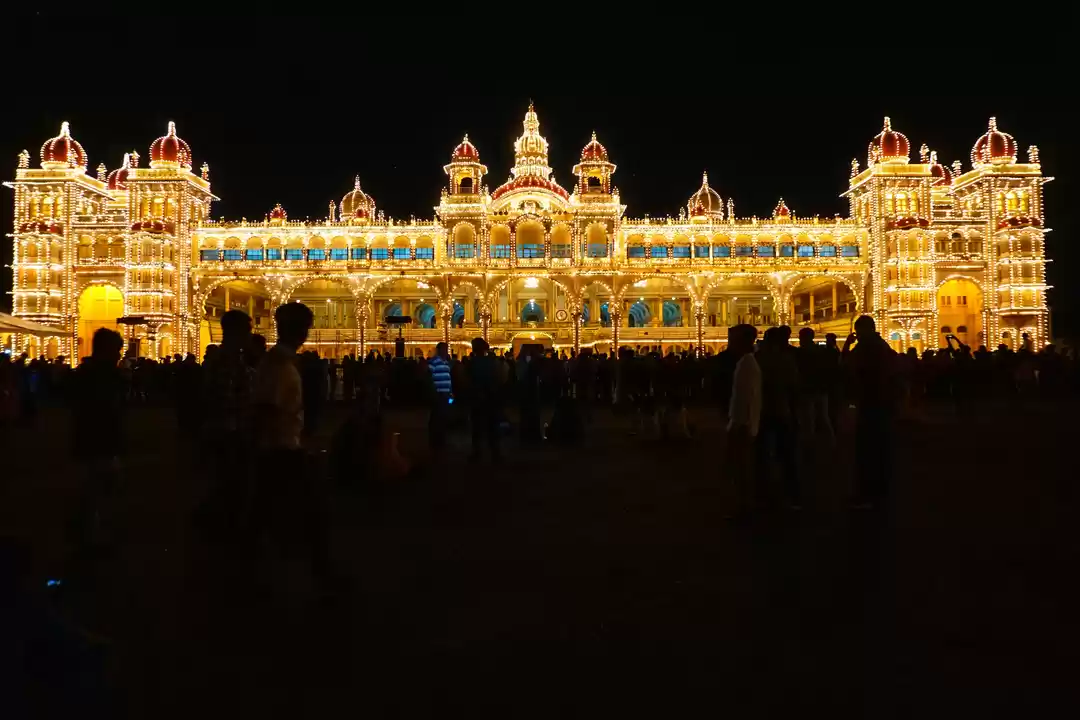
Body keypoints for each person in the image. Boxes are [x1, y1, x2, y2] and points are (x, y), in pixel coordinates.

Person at [252, 302, 337, 591]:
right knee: (310, 514)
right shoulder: (278, 365)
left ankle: (270, 575)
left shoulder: (281, 362)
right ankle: (318, 576)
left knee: (280, 515)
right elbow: (265, 410)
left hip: (282, 448)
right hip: (280, 451)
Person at [197, 310, 255, 538]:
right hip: (229, 433)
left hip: (227, 431)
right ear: (236, 333)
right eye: (248, 331)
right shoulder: (226, 362)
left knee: (228, 485)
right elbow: (225, 400)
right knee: (230, 484)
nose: (250, 336)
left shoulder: (230, 359)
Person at [69, 328, 127, 546]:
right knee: (98, 490)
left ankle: (91, 532)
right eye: (116, 350)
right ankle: (93, 535)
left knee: (95, 489)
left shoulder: (86, 373)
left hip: (91, 441)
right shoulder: (104, 376)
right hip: (99, 441)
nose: (119, 355)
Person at [842, 315, 898, 509]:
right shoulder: (882, 346)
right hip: (881, 402)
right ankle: (879, 491)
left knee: (867, 450)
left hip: (871, 402)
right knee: (879, 449)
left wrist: (847, 346)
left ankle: (867, 494)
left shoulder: (867, 347)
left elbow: (848, 366)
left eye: (858, 331)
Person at [755, 327, 802, 509]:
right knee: (786, 454)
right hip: (783, 409)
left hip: (763, 410)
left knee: (763, 453)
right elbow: (795, 386)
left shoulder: (759, 359)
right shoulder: (787, 359)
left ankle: (764, 493)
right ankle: (792, 494)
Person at [725, 324, 761, 518]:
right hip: (743, 423)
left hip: (742, 425)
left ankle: (744, 508)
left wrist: (741, 425)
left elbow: (748, 398)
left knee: (741, 468)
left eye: (733, 338)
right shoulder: (747, 362)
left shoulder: (747, 364)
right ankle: (743, 506)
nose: (730, 341)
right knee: (741, 467)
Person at [796, 327, 835, 447]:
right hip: (820, 388)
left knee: (809, 418)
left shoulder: (800, 353)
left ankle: (810, 443)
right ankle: (831, 440)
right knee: (823, 416)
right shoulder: (820, 351)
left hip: (807, 389)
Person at [467, 337, 501, 462]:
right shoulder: (492, 362)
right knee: (492, 426)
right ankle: (495, 452)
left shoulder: (472, 363)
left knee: (477, 427)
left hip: (477, 397)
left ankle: (477, 451)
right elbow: (498, 378)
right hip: (491, 396)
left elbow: (468, 380)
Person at [427, 342, 454, 452]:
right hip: (438, 394)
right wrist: (433, 391)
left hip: (446, 394)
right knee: (436, 418)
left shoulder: (446, 363)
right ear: (439, 350)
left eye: (446, 349)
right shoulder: (433, 362)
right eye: (444, 349)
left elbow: (449, 378)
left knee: (443, 417)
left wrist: (451, 391)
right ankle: (434, 441)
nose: (445, 351)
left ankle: (441, 440)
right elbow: (428, 377)